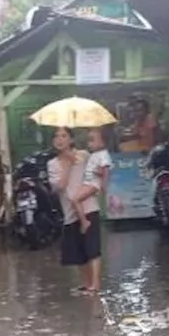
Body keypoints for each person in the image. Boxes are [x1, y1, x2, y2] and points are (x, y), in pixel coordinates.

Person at [46, 126, 91, 293]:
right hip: (70, 211)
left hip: (87, 207)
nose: (60, 139)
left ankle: (94, 284)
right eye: (56, 136)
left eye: (64, 136)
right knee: (78, 251)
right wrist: (67, 165)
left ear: (71, 139)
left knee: (91, 248)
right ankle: (87, 283)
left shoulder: (83, 156)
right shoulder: (52, 164)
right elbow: (60, 186)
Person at [74, 127, 112, 294]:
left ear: (102, 142)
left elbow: (105, 171)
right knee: (75, 198)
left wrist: (103, 185)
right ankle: (83, 220)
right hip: (89, 183)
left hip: (93, 184)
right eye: (89, 140)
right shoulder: (93, 155)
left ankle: (84, 221)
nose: (90, 143)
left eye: (93, 140)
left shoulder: (103, 155)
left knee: (75, 199)